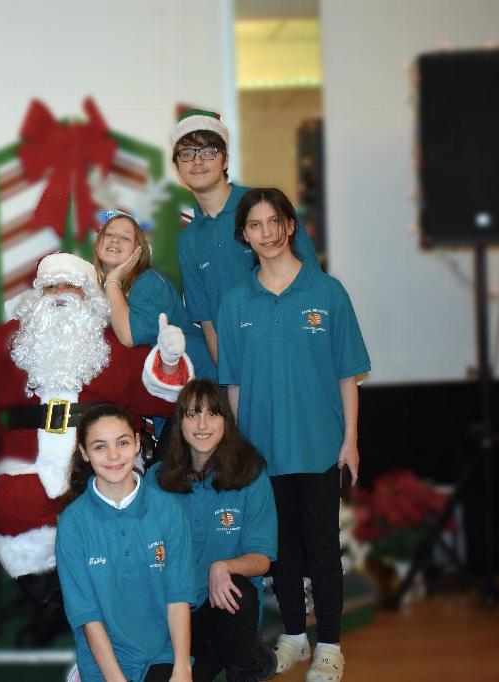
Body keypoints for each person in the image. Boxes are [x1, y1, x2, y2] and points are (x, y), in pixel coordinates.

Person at [0, 252, 192, 645]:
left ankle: (103, 604)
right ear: (36, 296)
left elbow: (159, 394)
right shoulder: (15, 338)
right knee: (15, 503)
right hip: (27, 461)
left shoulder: (113, 344)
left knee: (106, 515)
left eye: (70, 286)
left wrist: (171, 361)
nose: (59, 295)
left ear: (89, 295)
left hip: (100, 460)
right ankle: (54, 603)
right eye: (50, 286)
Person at [216, 188, 370, 682]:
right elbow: (234, 384)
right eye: (255, 225)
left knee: (323, 549)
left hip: (320, 446)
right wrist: (238, 449)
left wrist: (349, 441)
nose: (266, 233)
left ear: (289, 225)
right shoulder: (236, 301)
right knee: (278, 550)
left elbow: (348, 374)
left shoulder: (328, 292)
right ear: (244, 235)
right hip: (263, 453)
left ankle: (329, 646)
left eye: (274, 221)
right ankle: (294, 636)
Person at [57, 403, 196, 682]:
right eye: (99, 447)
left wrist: (182, 667)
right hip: (104, 663)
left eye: (122, 442)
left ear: (136, 443)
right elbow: (88, 616)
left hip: (161, 654)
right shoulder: (73, 524)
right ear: (84, 453)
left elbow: (178, 596)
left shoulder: (168, 511)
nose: (113, 455)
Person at [152, 380, 277, 682]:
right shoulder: (156, 481)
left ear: (226, 421)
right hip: (174, 616)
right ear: (179, 423)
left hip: (223, 608)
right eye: (192, 414)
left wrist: (225, 566)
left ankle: (242, 668)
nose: (202, 425)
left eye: (213, 414)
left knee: (239, 590)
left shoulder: (251, 475)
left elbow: (262, 557)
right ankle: (254, 655)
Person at [171, 110, 318, 365]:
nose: (197, 161)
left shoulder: (266, 207)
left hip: (293, 354)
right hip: (239, 366)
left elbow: (311, 282)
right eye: (187, 154)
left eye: (208, 152)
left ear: (225, 160)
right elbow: (206, 319)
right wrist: (229, 376)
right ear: (177, 168)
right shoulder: (189, 240)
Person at [94, 208, 215, 382]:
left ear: (139, 250)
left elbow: (128, 336)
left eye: (126, 237)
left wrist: (112, 282)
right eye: (108, 234)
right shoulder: (95, 285)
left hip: (201, 384)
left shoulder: (150, 282)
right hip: (160, 388)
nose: (115, 240)